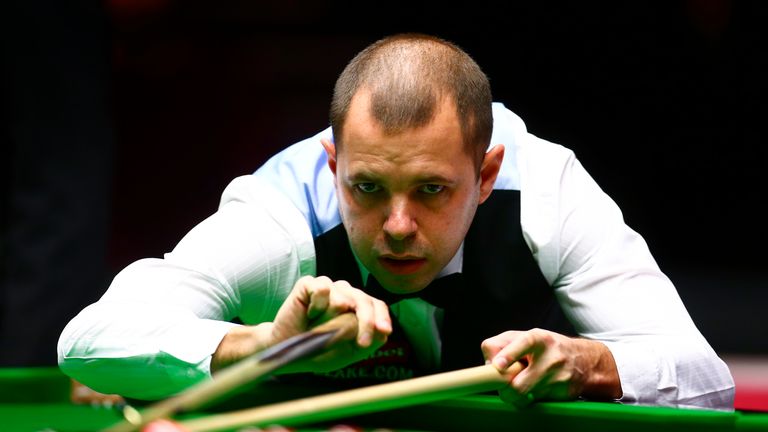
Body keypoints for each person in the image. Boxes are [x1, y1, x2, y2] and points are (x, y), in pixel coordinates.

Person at [57, 33, 734, 409]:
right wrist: (265, 344)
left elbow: (704, 375)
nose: (399, 225)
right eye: (369, 187)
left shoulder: (548, 194)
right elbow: (88, 342)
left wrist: (591, 363)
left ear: (487, 174)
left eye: (433, 190)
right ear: (332, 166)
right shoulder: (280, 212)